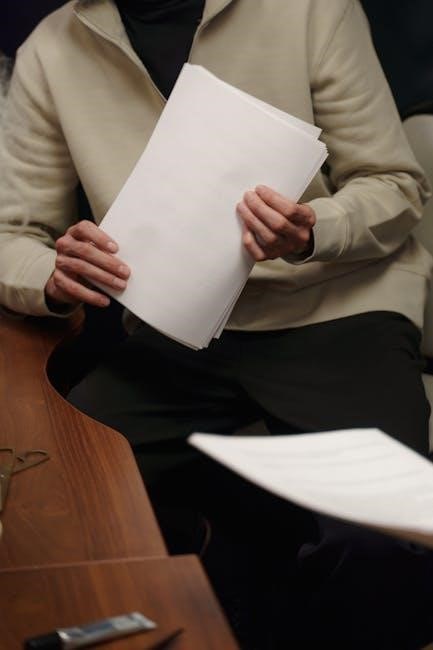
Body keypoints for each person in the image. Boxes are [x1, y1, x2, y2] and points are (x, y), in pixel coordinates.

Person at [1, 1, 433, 647]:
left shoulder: (311, 9)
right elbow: (11, 232)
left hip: (337, 309)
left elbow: (394, 184)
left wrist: (312, 229)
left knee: (381, 539)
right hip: (171, 330)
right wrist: (53, 274)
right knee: (53, 506)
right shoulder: (52, 45)